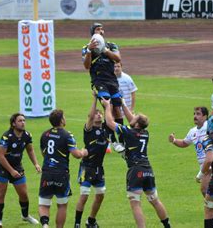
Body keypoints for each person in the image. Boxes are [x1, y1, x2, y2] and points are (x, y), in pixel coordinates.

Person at [101, 98, 171, 228]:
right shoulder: (145, 133)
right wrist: (122, 104)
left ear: (137, 124)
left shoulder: (129, 132)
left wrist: (107, 107)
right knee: (155, 200)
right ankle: (167, 225)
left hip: (136, 169)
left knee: (135, 203)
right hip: (148, 169)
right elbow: (132, 119)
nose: (132, 116)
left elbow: (110, 122)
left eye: (135, 117)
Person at [38, 109, 88, 228]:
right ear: (61, 120)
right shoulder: (67, 135)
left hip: (47, 173)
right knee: (61, 205)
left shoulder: (44, 134)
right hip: (61, 174)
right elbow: (76, 155)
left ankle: (45, 224)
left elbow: (43, 153)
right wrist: (83, 152)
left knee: (44, 204)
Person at [0, 113, 42, 228]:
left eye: (24, 120)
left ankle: (25, 216)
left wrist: (36, 163)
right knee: (1, 193)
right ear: (13, 123)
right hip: (2, 166)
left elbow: (30, 150)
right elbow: (1, 156)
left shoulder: (27, 135)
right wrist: (11, 171)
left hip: (17, 166)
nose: (23, 122)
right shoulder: (6, 137)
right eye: (20, 121)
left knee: (24, 194)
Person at [82, 23, 124, 153]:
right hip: (99, 80)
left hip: (112, 80)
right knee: (108, 106)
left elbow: (118, 59)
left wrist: (105, 50)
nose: (100, 30)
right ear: (93, 33)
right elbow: (87, 66)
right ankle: (112, 139)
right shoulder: (87, 47)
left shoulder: (111, 45)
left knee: (117, 110)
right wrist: (89, 50)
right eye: (97, 29)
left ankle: (122, 140)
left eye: (101, 29)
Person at [74, 95, 110, 228]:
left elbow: (110, 117)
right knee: (84, 195)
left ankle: (91, 221)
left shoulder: (106, 130)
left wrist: (107, 106)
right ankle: (77, 224)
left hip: (99, 168)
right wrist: (95, 99)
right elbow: (89, 117)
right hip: (87, 167)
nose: (98, 115)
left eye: (100, 113)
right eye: (96, 114)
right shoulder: (88, 130)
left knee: (100, 195)